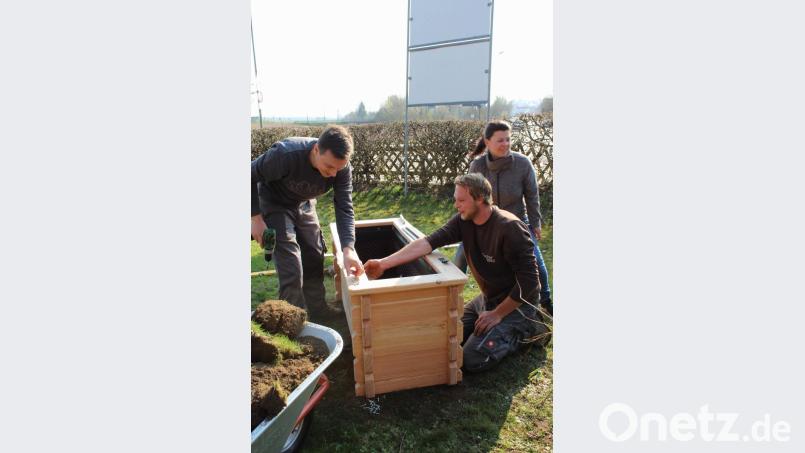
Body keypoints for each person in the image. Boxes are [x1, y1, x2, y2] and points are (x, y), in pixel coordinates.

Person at [364, 174, 548, 373]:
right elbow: (427, 242)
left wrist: (497, 315)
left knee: (472, 359)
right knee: (446, 333)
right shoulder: (464, 220)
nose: (456, 205)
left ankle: (530, 328)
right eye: (455, 200)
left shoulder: (510, 228)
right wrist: (383, 264)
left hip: (517, 304)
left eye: (461, 200)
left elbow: (531, 284)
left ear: (480, 199)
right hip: (488, 298)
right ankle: (497, 324)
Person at [251, 125, 364, 318]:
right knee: (292, 266)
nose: (334, 174)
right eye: (329, 166)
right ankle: (292, 320)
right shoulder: (285, 155)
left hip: (303, 203)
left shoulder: (341, 169)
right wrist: (256, 218)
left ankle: (318, 310)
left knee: (314, 254)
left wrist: (348, 249)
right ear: (316, 150)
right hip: (274, 203)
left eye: (339, 168)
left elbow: (344, 206)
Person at [454, 120, 553, 315]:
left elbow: (532, 196)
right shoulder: (478, 165)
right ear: (487, 142)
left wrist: (535, 223)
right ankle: (451, 298)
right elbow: (469, 196)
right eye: (500, 140)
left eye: (508, 139)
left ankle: (547, 302)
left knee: (536, 263)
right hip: (483, 222)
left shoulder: (523, 164)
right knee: (459, 256)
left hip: (518, 224)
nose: (505, 144)